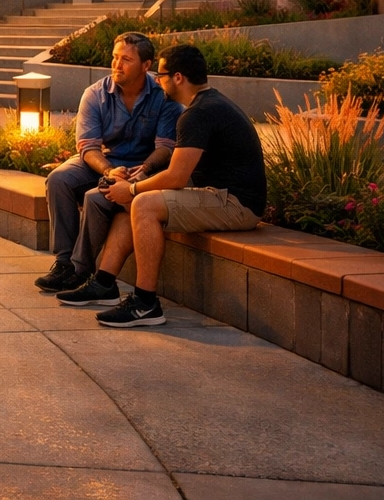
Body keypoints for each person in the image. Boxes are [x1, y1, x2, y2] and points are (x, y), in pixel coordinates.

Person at [83, 44, 267, 328]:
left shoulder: (197, 113)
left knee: (142, 202)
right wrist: (137, 183)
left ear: (178, 77)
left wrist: (131, 189)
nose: (157, 80)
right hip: (219, 193)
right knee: (139, 196)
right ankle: (104, 282)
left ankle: (145, 303)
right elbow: (181, 171)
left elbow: (177, 177)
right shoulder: (206, 104)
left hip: (237, 204)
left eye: (162, 74)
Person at [34, 31, 181, 294]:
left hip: (144, 167)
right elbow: (88, 147)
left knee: (96, 197)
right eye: (115, 57)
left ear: (146, 66)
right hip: (105, 161)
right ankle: (64, 262)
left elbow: (165, 149)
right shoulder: (95, 93)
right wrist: (109, 170)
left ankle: (81, 270)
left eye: (126, 59)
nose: (117, 64)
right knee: (59, 178)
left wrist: (143, 170)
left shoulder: (163, 96)